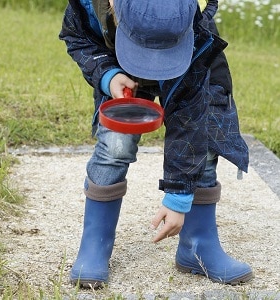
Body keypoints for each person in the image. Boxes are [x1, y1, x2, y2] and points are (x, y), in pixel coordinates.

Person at [59, 0, 253, 288]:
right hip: (118, 63)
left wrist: (178, 197)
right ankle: (94, 244)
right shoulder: (89, 6)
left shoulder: (194, 22)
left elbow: (190, 125)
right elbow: (78, 38)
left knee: (208, 139)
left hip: (187, 60)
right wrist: (108, 76)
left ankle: (197, 246)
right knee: (115, 146)